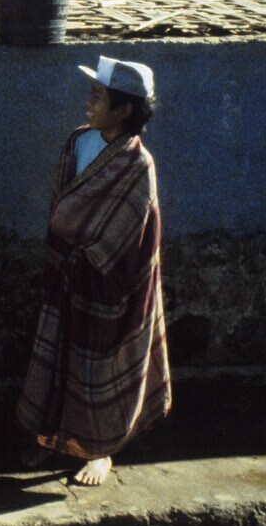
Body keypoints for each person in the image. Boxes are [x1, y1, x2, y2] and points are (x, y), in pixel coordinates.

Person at [17, 56, 170, 488]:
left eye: (98, 96)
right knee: (57, 357)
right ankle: (50, 437)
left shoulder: (138, 166)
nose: (89, 102)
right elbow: (61, 204)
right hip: (67, 273)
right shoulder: (78, 141)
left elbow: (133, 235)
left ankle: (99, 450)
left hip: (107, 284)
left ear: (124, 110)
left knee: (96, 367)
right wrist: (66, 245)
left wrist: (88, 251)